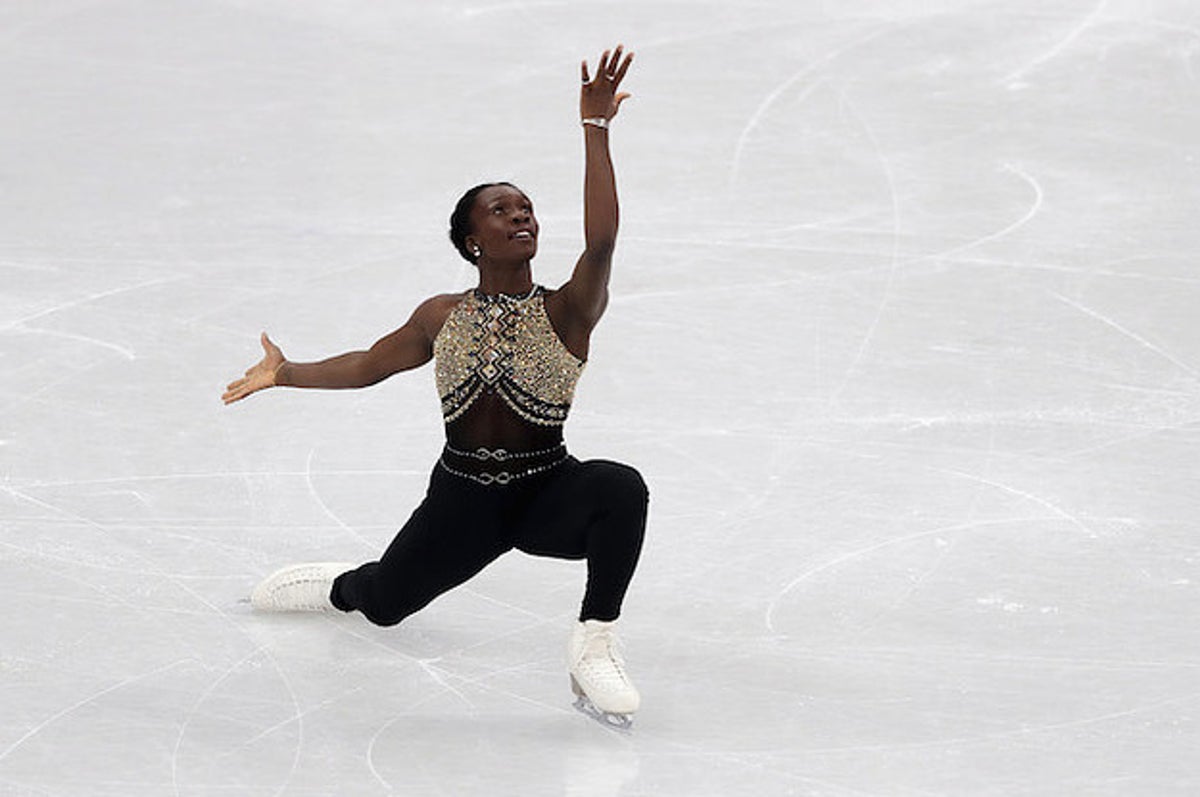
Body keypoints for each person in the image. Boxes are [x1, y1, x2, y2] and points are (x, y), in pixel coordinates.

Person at [222, 45, 647, 728]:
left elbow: (601, 243)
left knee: (622, 487)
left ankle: (593, 641)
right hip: (462, 500)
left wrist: (594, 132)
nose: (521, 216)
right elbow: (370, 363)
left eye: (528, 208)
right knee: (387, 602)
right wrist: (285, 373)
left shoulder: (566, 310)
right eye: (502, 210)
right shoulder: (440, 316)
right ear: (472, 240)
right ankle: (340, 584)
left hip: (547, 490)